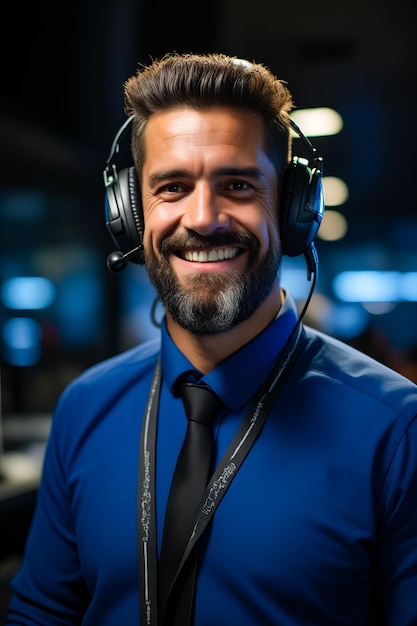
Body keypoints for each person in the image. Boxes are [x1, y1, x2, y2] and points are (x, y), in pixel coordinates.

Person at [6, 52, 417, 626]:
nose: (203, 218)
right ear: (128, 214)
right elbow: (42, 612)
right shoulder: (86, 407)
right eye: (172, 186)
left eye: (239, 185)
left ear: (295, 208)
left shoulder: (397, 430)